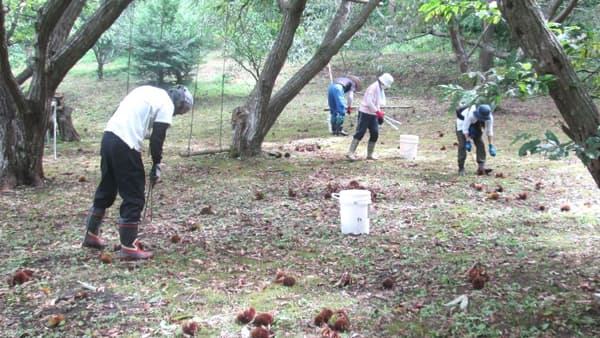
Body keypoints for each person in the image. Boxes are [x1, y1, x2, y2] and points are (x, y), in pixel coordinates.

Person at [82, 85, 193, 260]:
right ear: (179, 104)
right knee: (134, 194)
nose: (175, 114)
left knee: (107, 187)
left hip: (109, 137)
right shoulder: (166, 104)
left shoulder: (146, 91)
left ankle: (91, 234)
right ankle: (129, 246)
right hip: (125, 143)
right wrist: (156, 164)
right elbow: (157, 138)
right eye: (179, 112)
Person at [346, 73, 394, 161]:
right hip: (365, 113)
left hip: (373, 114)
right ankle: (350, 153)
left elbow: (377, 103)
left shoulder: (380, 89)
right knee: (360, 132)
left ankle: (370, 154)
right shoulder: (373, 87)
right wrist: (377, 112)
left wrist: (379, 113)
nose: (386, 87)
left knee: (375, 133)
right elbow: (369, 102)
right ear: (383, 83)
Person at [455, 103, 497, 176]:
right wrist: (468, 141)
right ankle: (461, 168)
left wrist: (491, 145)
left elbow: (489, 131)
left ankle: (481, 166)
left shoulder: (489, 117)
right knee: (462, 145)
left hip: (476, 123)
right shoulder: (470, 114)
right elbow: (465, 129)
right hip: (462, 124)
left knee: (480, 143)